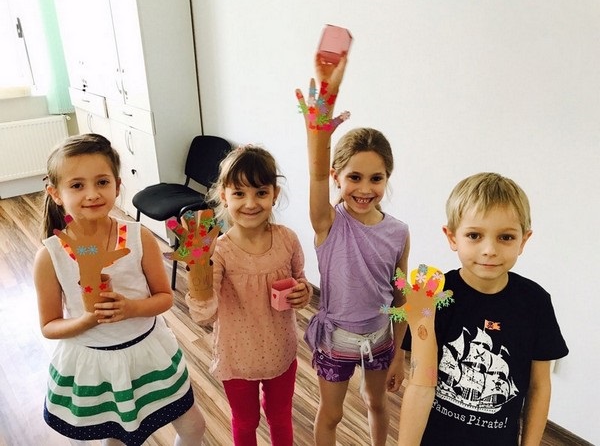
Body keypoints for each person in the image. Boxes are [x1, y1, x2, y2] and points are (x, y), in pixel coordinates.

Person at [33, 133, 206, 446]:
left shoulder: (139, 237)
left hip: (148, 354)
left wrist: (132, 308)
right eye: (77, 185)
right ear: (55, 193)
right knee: (116, 438)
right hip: (95, 365)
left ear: (117, 184)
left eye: (102, 182)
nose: (92, 194)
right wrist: (87, 320)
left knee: (193, 427)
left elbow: (165, 297)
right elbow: (49, 325)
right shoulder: (50, 256)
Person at [402, 172, 569, 445]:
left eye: (505, 237)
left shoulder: (535, 303)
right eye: (474, 235)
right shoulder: (434, 296)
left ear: (523, 240)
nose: (489, 249)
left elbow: (539, 387)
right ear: (452, 236)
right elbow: (420, 384)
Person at [296, 53, 410, 446]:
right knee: (332, 414)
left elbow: (401, 296)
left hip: (381, 337)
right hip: (336, 341)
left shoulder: (399, 232)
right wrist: (324, 111)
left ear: (387, 178)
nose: (364, 188)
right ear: (336, 177)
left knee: (377, 403)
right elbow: (314, 173)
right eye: (354, 177)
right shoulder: (327, 222)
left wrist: (399, 352)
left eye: (376, 178)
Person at [185, 145, 313, 446]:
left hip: (280, 351)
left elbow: (301, 280)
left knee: (280, 416)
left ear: (274, 194)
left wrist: (303, 293)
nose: (251, 203)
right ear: (224, 196)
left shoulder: (287, 239)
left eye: (261, 192)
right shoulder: (220, 251)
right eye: (239, 193)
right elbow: (204, 314)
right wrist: (198, 274)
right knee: (245, 421)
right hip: (238, 358)